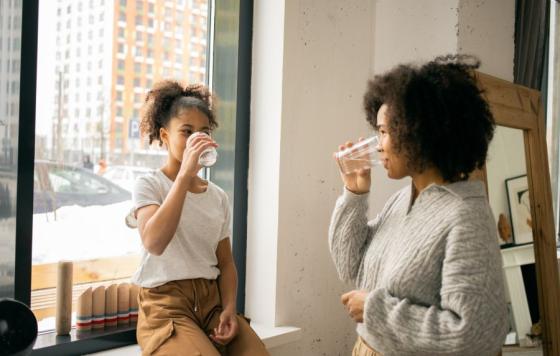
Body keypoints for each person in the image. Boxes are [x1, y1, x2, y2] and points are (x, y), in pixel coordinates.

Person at [329, 55, 508, 356]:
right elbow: (351, 267)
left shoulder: (465, 217)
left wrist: (375, 310)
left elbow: (476, 335)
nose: (378, 144)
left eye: (385, 131)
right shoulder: (403, 199)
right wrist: (354, 195)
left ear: (420, 132)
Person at [132, 80, 268, 356]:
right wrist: (183, 177)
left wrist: (229, 309)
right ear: (165, 136)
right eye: (186, 131)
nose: (197, 139)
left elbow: (226, 263)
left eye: (204, 131)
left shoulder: (217, 196)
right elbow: (154, 242)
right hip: (166, 306)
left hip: (212, 303)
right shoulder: (150, 185)